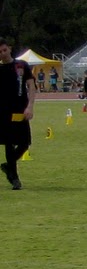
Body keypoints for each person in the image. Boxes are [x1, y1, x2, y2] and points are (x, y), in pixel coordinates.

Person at [1, 38, 35, 190]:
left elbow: (31, 86)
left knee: (24, 143)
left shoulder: (21, 65)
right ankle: (14, 178)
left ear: (10, 48)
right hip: (3, 111)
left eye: (4, 50)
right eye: (0, 52)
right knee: (9, 143)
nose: (3, 54)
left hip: (20, 109)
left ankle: (8, 165)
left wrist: (30, 106)